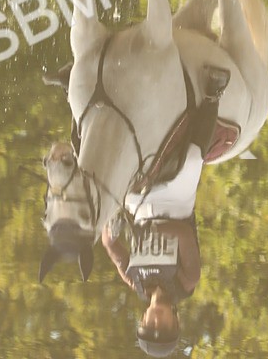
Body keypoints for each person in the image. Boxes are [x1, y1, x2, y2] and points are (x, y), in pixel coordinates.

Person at [101, 64, 230, 356]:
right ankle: (213, 95)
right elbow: (184, 235)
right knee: (193, 160)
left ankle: (101, 91)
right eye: (164, 326)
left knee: (105, 170)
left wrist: (110, 231)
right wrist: (151, 230)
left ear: (143, 319)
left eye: (150, 325)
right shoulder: (186, 282)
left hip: (139, 207)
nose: (156, 321)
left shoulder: (134, 281)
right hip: (175, 203)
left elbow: (111, 246)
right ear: (176, 320)